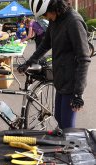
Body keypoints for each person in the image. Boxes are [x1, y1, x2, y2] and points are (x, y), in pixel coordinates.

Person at [18, 0, 91, 129]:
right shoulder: (55, 20)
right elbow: (45, 45)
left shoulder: (74, 22)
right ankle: (63, 146)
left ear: (54, 7)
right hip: (60, 79)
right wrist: (29, 62)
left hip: (71, 83)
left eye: (45, 14)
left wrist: (78, 93)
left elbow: (84, 59)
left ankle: (69, 149)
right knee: (59, 118)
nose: (46, 18)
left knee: (67, 127)